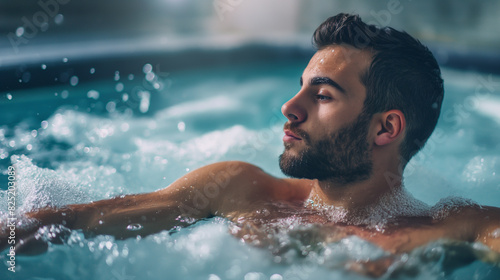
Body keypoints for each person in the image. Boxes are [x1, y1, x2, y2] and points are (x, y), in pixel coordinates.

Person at [2, 13, 500, 276]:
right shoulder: (237, 189)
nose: (290, 105)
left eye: (322, 94)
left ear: (385, 130)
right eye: (301, 85)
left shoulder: (454, 229)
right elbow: (78, 220)